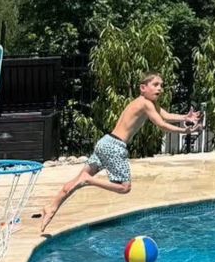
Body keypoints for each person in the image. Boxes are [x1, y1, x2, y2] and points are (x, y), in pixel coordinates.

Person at [37, 73, 199, 233]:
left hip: (105, 143)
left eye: (161, 85)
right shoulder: (145, 103)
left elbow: (165, 115)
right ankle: (89, 181)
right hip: (115, 146)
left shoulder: (148, 103)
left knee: (76, 180)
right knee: (124, 187)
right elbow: (161, 124)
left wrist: (186, 116)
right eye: (155, 85)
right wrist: (185, 129)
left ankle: (52, 206)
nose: (160, 88)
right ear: (143, 88)